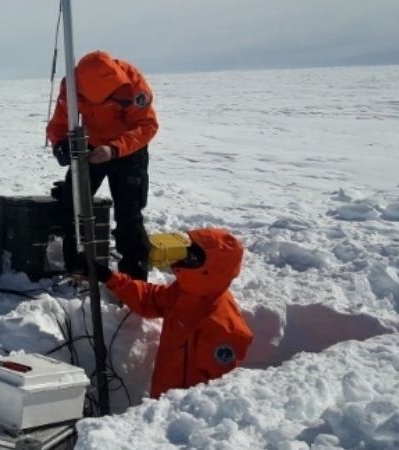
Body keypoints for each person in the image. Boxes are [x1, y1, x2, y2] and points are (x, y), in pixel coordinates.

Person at [89, 228, 253, 398]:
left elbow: (218, 395)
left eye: (192, 255)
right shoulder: (186, 292)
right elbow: (149, 299)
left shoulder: (223, 327)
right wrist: (109, 277)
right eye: (187, 250)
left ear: (210, 268)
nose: (184, 257)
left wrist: (178, 410)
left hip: (183, 410)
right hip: (160, 402)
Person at [46, 50, 158, 281]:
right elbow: (59, 123)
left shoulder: (133, 83)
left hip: (129, 150)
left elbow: (147, 125)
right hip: (90, 148)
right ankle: (76, 268)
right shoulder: (72, 84)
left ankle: (134, 280)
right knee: (72, 205)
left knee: (129, 216)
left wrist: (114, 149)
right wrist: (60, 145)